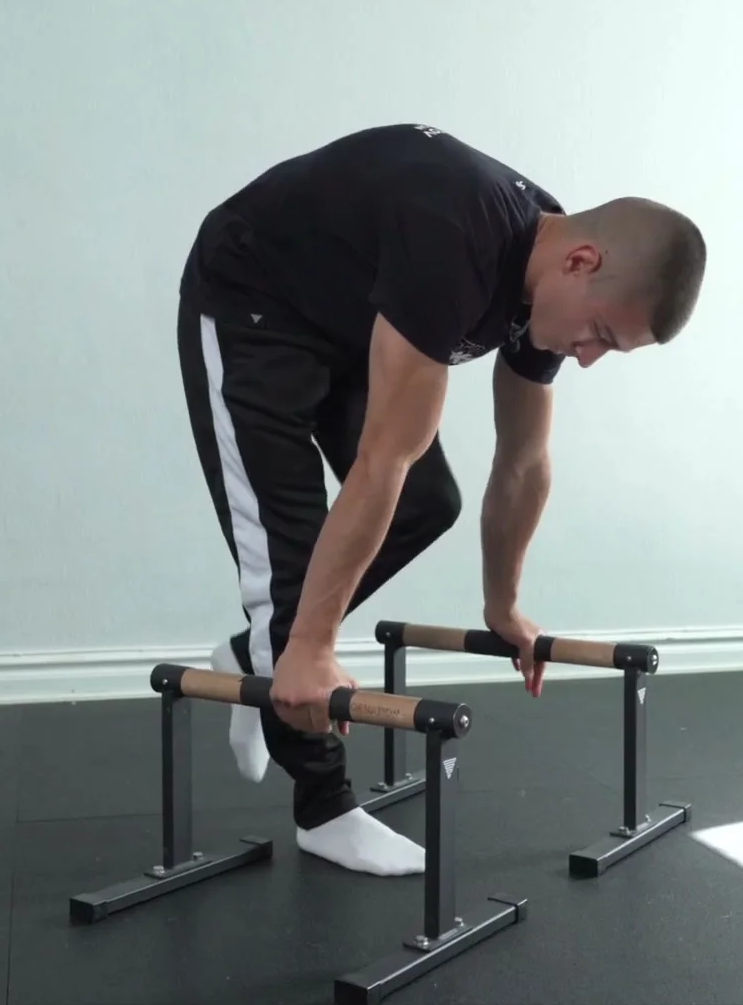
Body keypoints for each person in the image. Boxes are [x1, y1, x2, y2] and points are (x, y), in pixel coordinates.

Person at [174, 123, 706, 876]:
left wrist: (503, 604)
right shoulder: (454, 235)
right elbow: (380, 459)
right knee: (292, 571)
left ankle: (258, 647)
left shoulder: (541, 270)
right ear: (581, 263)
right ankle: (322, 807)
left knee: (432, 501)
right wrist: (312, 646)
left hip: (343, 322)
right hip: (249, 306)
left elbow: (523, 460)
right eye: (600, 335)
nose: (587, 358)